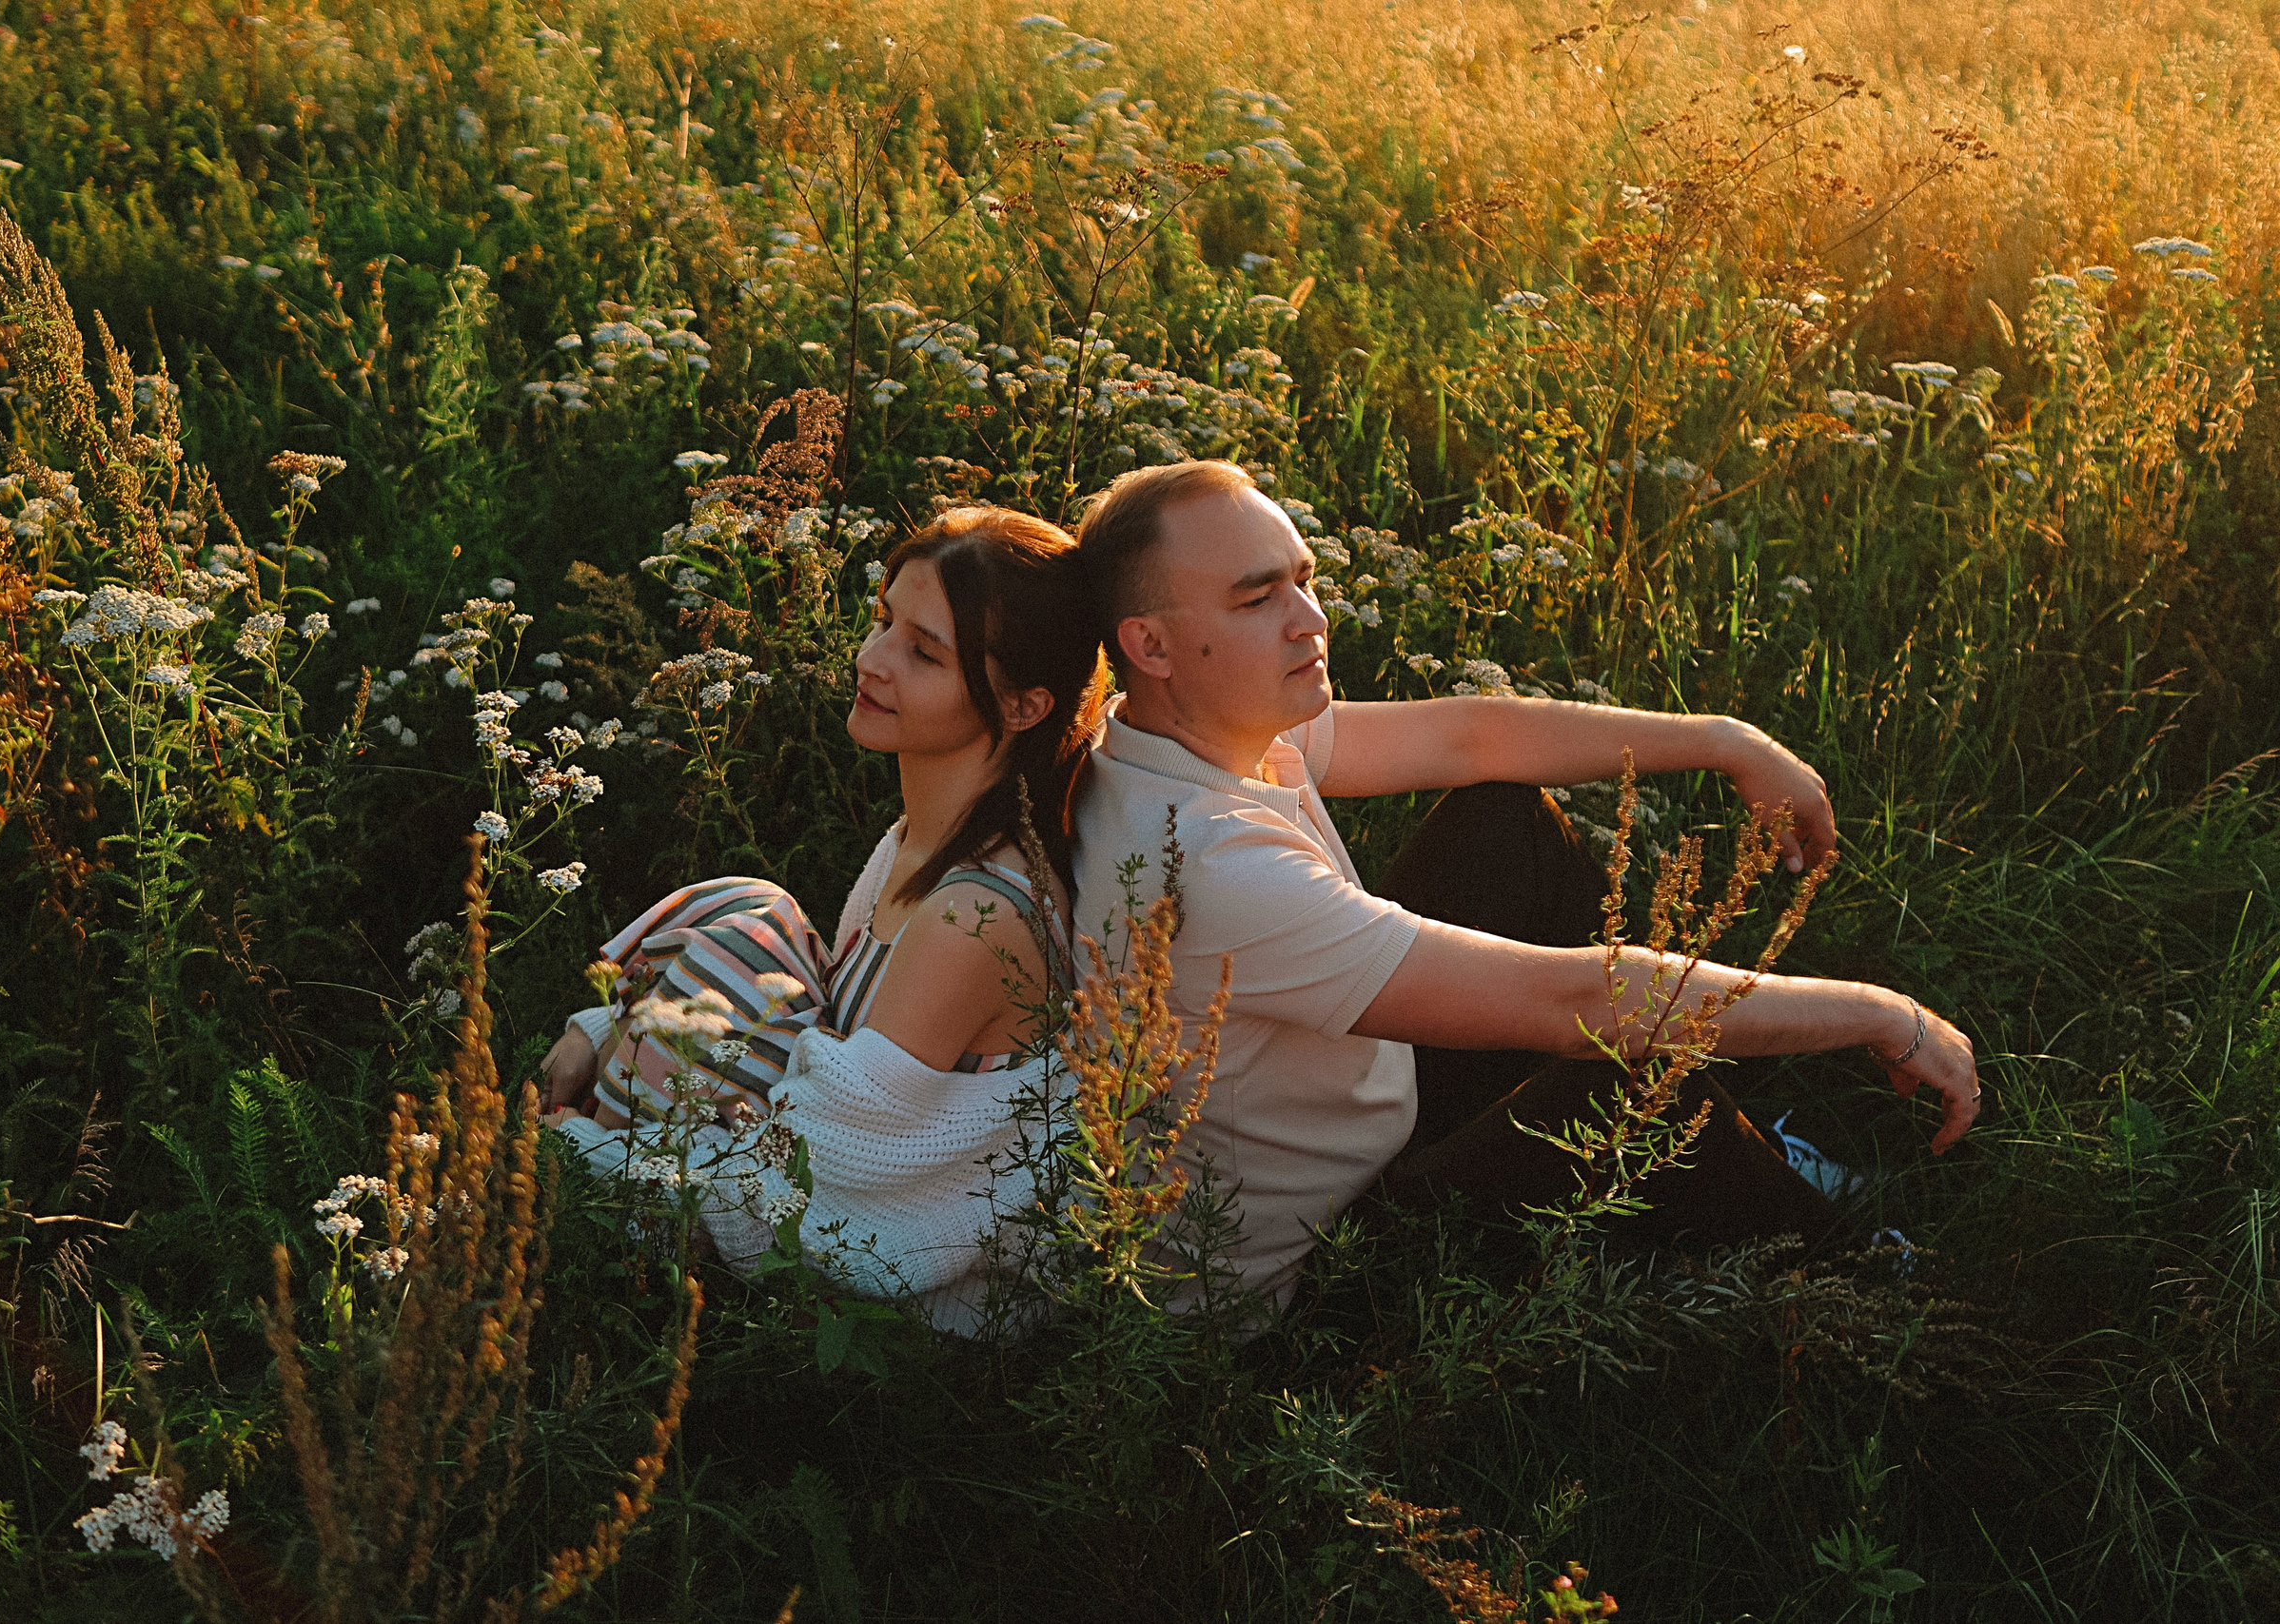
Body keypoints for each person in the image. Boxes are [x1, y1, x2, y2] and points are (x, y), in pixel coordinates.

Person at [1065, 460, 1982, 1312]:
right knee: (1621, 1081)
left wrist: (1724, 740)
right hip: (1319, 1274)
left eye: (1302, 577)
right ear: (1150, 643)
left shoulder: (1182, 733)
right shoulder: (1209, 860)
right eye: (1258, 597)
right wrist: (1880, 1012)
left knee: (1498, 823)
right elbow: (1579, 997)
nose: (1309, 617)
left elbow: (1477, 739)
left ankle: (1745, 1141)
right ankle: (1868, 1284)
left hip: (1368, 1117)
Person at [539, 506, 1107, 1331]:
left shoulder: (974, 914)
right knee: (752, 910)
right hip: (813, 1172)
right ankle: (603, 1136)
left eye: (923, 652)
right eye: (884, 622)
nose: (871, 660)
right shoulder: (920, 837)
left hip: (900, 1305)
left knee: (731, 958)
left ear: (1023, 705)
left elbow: (811, 1187)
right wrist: (603, 1026)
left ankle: (598, 1221)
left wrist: (583, 1159)